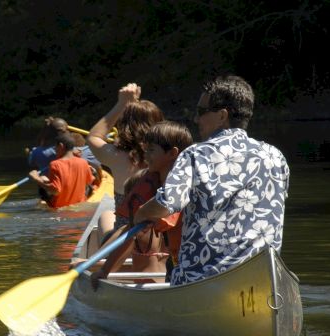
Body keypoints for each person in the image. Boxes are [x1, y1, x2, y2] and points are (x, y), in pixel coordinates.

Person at [134, 75, 290, 286]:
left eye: (201, 112)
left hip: (203, 280)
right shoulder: (275, 156)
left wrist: (141, 213)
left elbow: (167, 203)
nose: (196, 120)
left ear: (222, 116)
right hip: (265, 279)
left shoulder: (195, 154)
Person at [91, 121, 193, 289]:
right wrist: (105, 271)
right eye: (146, 149)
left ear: (172, 153)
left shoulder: (190, 182)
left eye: (151, 150)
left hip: (197, 261)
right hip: (176, 264)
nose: (146, 154)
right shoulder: (149, 182)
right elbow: (131, 232)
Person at [87, 83, 165, 243]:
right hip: (161, 237)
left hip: (124, 240)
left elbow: (93, 137)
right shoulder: (169, 156)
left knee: (106, 215)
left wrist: (121, 104)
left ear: (124, 125)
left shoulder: (116, 156)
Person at [29, 133, 95, 208]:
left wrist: (36, 178)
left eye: (55, 147)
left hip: (60, 206)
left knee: (43, 178)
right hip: (79, 204)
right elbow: (90, 180)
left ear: (61, 146)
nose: (55, 150)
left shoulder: (55, 164)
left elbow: (55, 190)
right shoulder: (83, 162)